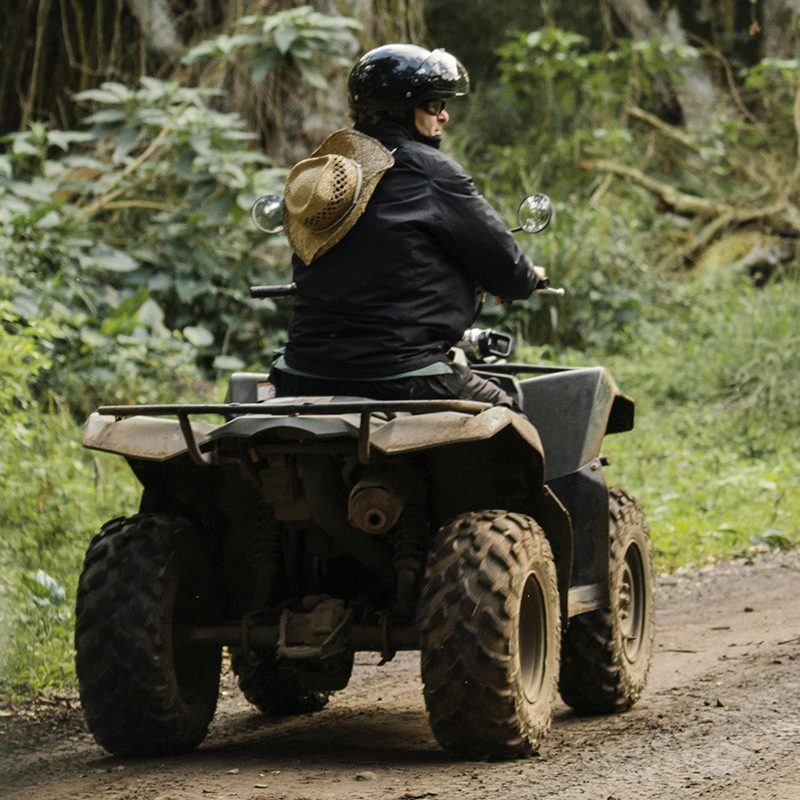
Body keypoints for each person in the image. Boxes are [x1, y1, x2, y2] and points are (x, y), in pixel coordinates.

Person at [269, 43, 549, 410]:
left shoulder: (327, 177)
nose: (443, 116)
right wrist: (527, 278)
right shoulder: (431, 172)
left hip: (300, 373)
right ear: (400, 111)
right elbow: (506, 267)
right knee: (509, 412)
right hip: (402, 376)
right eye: (434, 105)